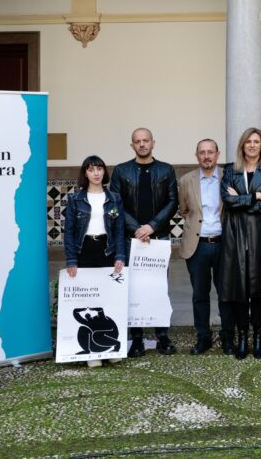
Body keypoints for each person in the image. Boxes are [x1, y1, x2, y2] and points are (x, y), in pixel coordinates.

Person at [109, 128, 178, 357]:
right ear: (132, 145)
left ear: (153, 143)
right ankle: (136, 339)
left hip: (158, 237)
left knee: (160, 288)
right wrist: (138, 230)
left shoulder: (166, 170)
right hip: (132, 240)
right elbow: (116, 204)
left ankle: (163, 337)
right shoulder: (121, 171)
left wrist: (152, 226)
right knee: (134, 289)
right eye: (137, 141)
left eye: (145, 140)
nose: (142, 144)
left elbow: (172, 202)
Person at [220, 127, 261, 359]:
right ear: (242, 146)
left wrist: (242, 201)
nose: (253, 145)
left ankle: (258, 337)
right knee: (239, 289)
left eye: (257, 141)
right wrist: (254, 197)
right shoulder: (230, 170)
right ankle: (242, 336)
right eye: (248, 141)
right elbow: (227, 200)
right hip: (235, 235)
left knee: (258, 289)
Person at [63, 155, 126, 367]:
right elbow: (69, 231)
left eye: (99, 169)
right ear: (85, 173)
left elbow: (119, 229)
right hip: (84, 250)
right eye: (91, 169)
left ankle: (107, 348)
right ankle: (92, 353)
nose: (96, 173)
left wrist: (119, 255)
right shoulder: (75, 200)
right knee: (88, 300)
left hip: (106, 249)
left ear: (104, 172)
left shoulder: (114, 198)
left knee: (107, 299)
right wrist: (71, 259)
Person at [177, 138, 233, 355]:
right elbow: (184, 210)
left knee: (225, 293)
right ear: (196, 155)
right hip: (197, 246)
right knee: (200, 294)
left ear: (217, 154)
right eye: (202, 152)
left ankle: (228, 336)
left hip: (224, 244)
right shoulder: (186, 180)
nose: (207, 156)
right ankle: (203, 337)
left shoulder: (228, 177)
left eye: (211, 152)